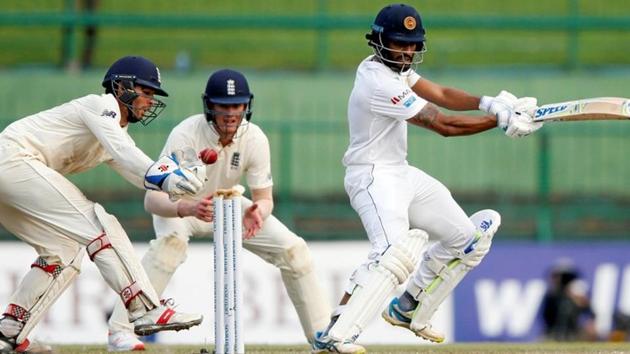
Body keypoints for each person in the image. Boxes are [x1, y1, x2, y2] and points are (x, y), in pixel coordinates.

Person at [312, 4, 544, 353]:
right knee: (391, 253)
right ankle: (334, 334)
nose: (406, 51)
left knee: (466, 237)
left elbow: (441, 94)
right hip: (371, 177)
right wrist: (500, 121)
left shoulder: (397, 71)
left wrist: (489, 103)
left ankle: (408, 307)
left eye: (412, 44)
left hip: (400, 171)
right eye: (398, 43)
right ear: (377, 41)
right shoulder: (378, 82)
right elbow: (443, 124)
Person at [106, 69, 332, 351]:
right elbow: (152, 200)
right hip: (182, 207)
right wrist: (189, 207)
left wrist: (259, 210)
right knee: (170, 245)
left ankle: (323, 337)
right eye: (223, 106)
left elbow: (264, 197)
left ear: (246, 106)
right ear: (209, 105)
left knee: (294, 250)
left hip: (229, 206)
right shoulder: (186, 134)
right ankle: (120, 331)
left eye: (236, 105)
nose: (230, 113)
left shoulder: (255, 138)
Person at [0, 56, 206, 354]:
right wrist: (166, 176)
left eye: (152, 95)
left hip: (12, 174)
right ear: (120, 86)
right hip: (13, 159)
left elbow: (139, 174)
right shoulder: (101, 105)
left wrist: (180, 182)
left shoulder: (113, 133)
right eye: (145, 92)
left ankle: (9, 331)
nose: (149, 101)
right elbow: (127, 155)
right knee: (100, 224)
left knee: (64, 254)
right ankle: (144, 307)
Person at [540, 259, 596, 341]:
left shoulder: (578, 295)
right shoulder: (551, 296)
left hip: (574, 333)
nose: (556, 280)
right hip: (553, 333)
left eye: (560, 277)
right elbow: (545, 317)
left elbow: (591, 313)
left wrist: (590, 323)